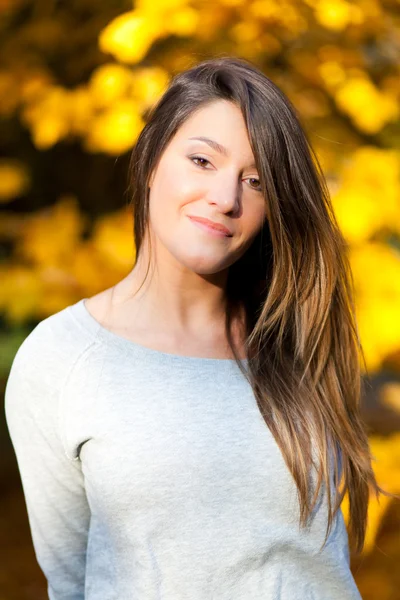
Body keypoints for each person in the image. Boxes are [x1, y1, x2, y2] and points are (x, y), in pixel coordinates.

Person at [5, 55, 388, 600]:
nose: (226, 198)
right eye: (203, 161)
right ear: (152, 157)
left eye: (255, 182)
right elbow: (70, 582)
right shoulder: (61, 359)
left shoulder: (296, 340)